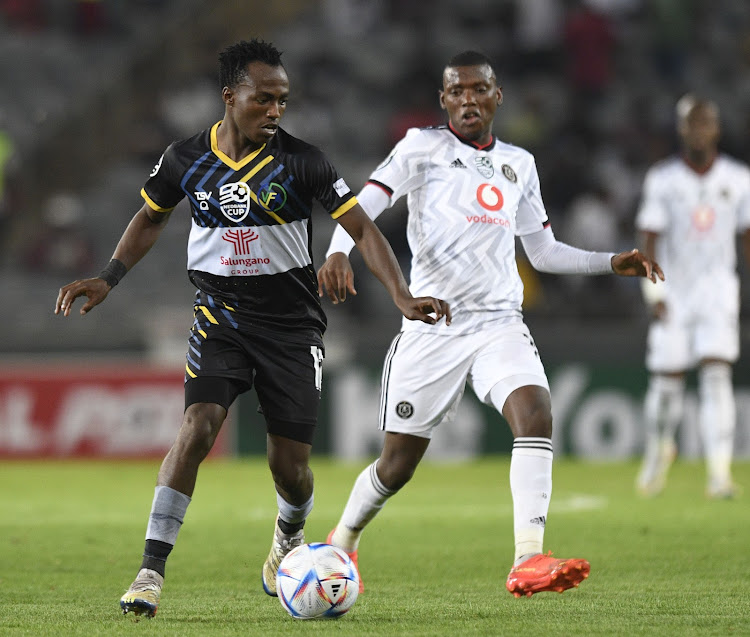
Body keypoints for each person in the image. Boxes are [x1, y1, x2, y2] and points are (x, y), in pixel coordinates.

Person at [54, 38, 450, 618]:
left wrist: (402, 295)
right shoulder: (185, 158)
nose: (274, 111)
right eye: (263, 100)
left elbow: (364, 230)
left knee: (288, 468)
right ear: (229, 96)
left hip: (291, 328)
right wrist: (108, 278)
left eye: (282, 102)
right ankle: (149, 572)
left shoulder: (303, 161)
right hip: (220, 317)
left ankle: (289, 534)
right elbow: (148, 217)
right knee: (197, 428)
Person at [317, 50, 663, 598]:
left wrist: (608, 261)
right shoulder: (421, 148)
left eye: (478, 89)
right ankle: (344, 538)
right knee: (397, 464)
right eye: (456, 91)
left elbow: (542, 251)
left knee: (535, 411)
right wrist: (338, 251)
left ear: (498, 96)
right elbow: (365, 205)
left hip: (499, 320)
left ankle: (528, 558)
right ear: (444, 100)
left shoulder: (519, 164)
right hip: (433, 325)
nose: (468, 100)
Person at [635, 94, 750, 499]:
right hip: (675, 291)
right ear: (681, 129)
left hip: (719, 291)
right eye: (690, 123)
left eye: (705, 123)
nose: (698, 130)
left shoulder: (739, 179)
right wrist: (653, 294)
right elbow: (648, 239)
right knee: (667, 382)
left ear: (716, 129)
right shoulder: (662, 179)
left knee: (717, 376)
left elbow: (747, 237)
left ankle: (719, 473)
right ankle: (657, 452)